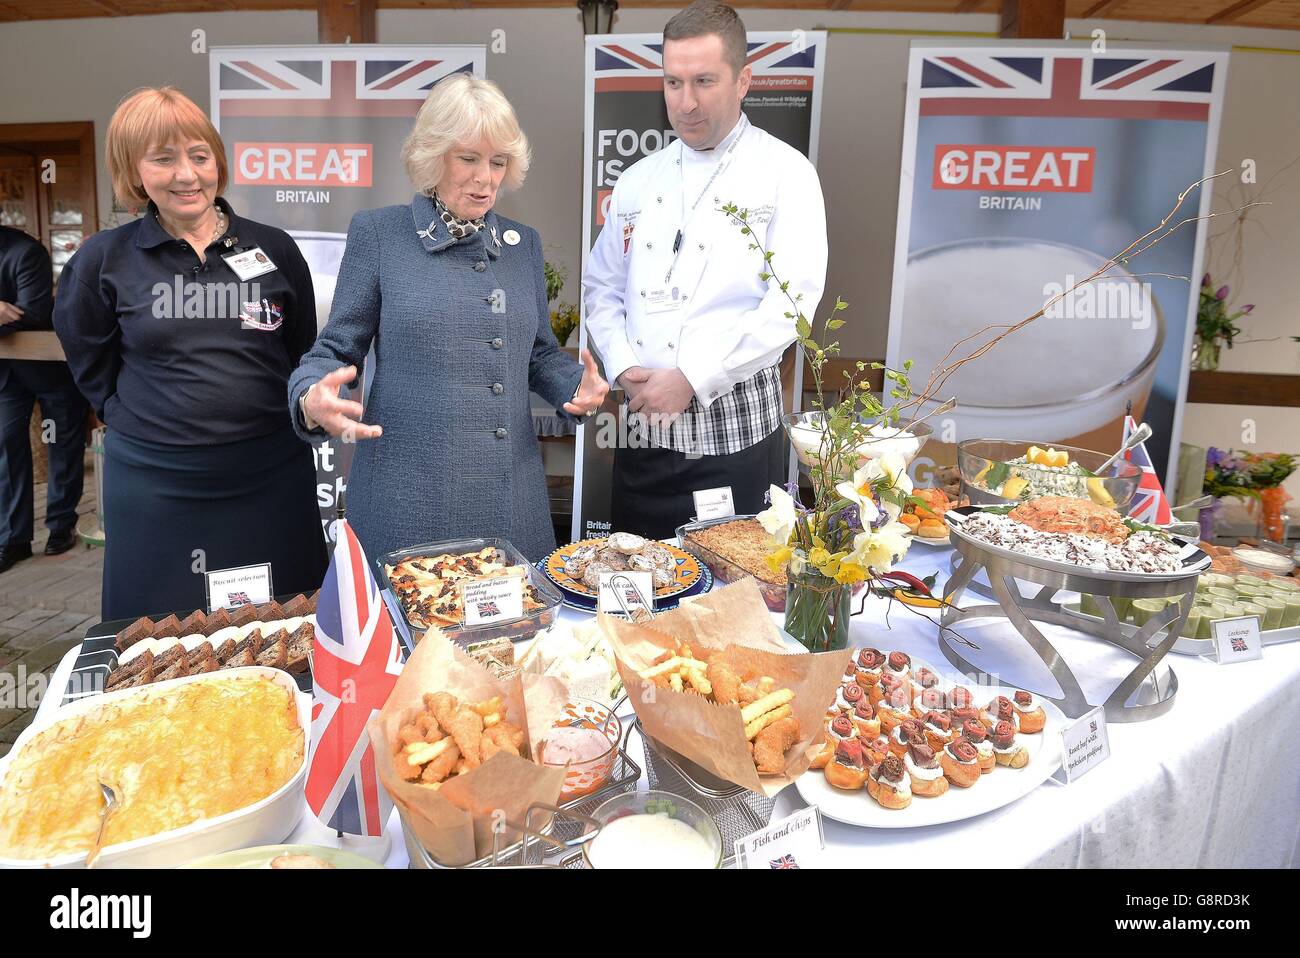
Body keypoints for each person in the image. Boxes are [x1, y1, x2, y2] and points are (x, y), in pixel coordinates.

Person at [289, 74, 608, 564]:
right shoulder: (380, 236)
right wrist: (312, 395)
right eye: (469, 158)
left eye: (498, 161)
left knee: (518, 638)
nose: (486, 178)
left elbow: (538, 352)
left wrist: (575, 387)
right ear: (433, 156)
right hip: (408, 507)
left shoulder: (523, 246)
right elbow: (333, 349)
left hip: (509, 507)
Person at [53, 87, 327, 620]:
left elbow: (300, 353)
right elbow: (89, 359)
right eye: (164, 159)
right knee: (158, 639)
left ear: (218, 163)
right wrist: (133, 415)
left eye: (200, 156)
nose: (187, 175)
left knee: (287, 627)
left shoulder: (274, 249)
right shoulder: (102, 260)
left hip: (269, 478)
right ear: (134, 171)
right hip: (157, 486)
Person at [582, 1, 828, 540]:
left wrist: (695, 378)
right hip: (644, 434)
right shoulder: (640, 179)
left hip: (733, 443)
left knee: (729, 603)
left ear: (743, 81)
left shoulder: (786, 174)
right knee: (635, 592)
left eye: (703, 82)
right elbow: (601, 286)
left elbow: (791, 305)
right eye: (672, 83)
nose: (685, 103)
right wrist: (623, 365)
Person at [0, 228, 90, 572]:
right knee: (7, 447)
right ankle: (14, 538)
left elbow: (34, 311)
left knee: (63, 446)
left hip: (52, 369)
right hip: (6, 373)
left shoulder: (26, 252)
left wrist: (12, 313)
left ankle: (60, 525)